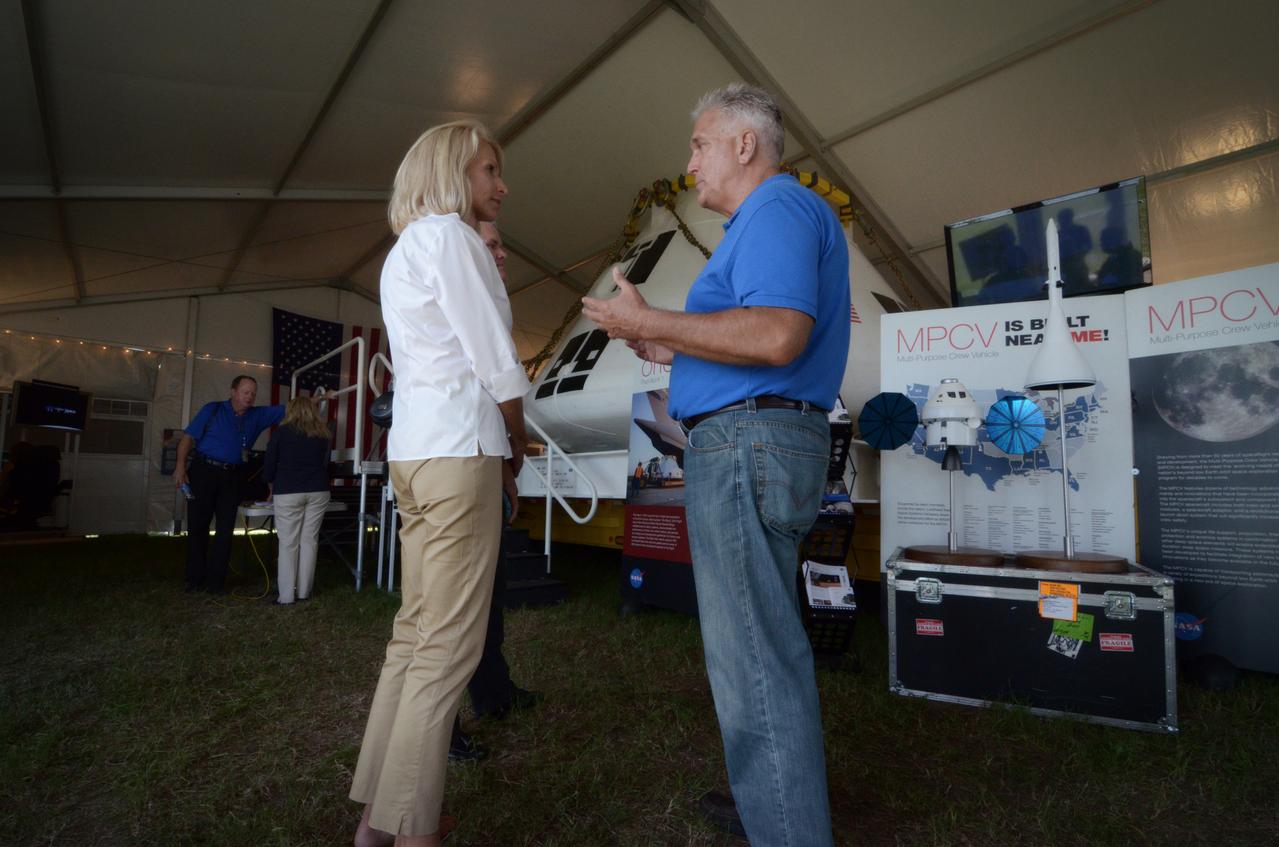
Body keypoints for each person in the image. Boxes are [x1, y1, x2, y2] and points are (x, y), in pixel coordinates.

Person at [582, 82, 848, 847]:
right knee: (762, 643)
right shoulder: (762, 223)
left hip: (746, 444)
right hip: (760, 438)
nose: (688, 162)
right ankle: (772, 796)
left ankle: (788, 828)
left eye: (699, 143)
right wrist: (669, 344)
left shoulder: (774, 207)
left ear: (743, 144)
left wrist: (647, 319)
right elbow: (756, 334)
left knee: (751, 658)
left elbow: (774, 336)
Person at [350, 121, 529, 847]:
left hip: (415, 454)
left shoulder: (400, 252)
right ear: (455, 172)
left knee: (414, 635)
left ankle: (377, 819)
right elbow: (494, 356)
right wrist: (516, 440)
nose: (500, 184)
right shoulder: (451, 238)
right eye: (490, 169)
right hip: (458, 449)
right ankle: (411, 829)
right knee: (449, 647)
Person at [447, 221, 542, 764]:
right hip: (455, 460)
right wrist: (520, 439)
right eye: (488, 245)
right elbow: (498, 385)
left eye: (502, 243)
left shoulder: (492, 308)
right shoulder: (461, 304)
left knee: (491, 594)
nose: (500, 253)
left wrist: (507, 470)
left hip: (486, 463)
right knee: (456, 605)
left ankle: (494, 693)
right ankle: (443, 727)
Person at [174, 375, 285, 594]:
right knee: (198, 526)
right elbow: (188, 437)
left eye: (253, 393)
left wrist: (322, 398)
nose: (250, 396)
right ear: (233, 392)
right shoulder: (212, 409)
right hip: (203, 471)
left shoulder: (258, 415)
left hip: (232, 476)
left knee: (225, 529)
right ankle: (195, 579)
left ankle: (216, 583)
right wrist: (180, 466)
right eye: (245, 392)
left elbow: (292, 408)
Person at [262, 397, 332, 605]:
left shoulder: (281, 433)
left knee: (288, 543)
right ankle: (304, 592)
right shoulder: (323, 435)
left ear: (290, 411)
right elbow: (325, 463)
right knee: (309, 540)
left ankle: (286, 596)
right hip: (318, 489)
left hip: (289, 490)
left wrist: (268, 482)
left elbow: (269, 464)